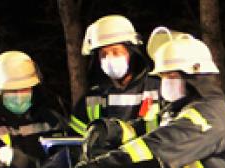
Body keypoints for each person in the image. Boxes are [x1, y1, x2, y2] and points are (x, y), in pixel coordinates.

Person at [50, 35, 225, 168]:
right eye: (162, 77)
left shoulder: (207, 117)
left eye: (170, 76)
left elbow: (155, 148)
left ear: (193, 78)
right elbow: (146, 129)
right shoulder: (179, 111)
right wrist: (111, 130)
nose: (164, 83)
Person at [69, 15, 162, 149]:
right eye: (103, 54)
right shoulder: (90, 99)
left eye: (116, 51)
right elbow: (74, 144)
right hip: (104, 167)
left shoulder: (158, 90)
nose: (109, 58)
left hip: (151, 167)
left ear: (132, 52)